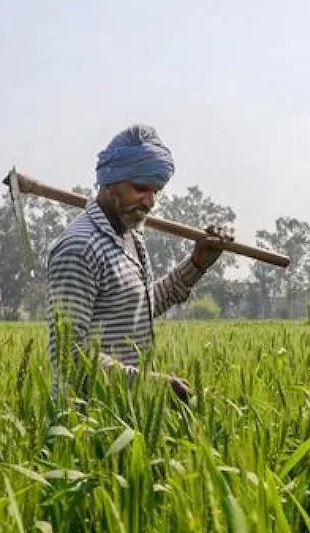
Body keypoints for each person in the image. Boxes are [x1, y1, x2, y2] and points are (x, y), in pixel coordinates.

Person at [46, 123, 232, 403]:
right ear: (110, 181)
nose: (151, 201)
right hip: (86, 422)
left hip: (128, 411)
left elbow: (139, 307)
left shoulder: (130, 236)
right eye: (140, 188)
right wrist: (150, 384)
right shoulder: (79, 248)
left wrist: (197, 264)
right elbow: (69, 354)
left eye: (156, 190)